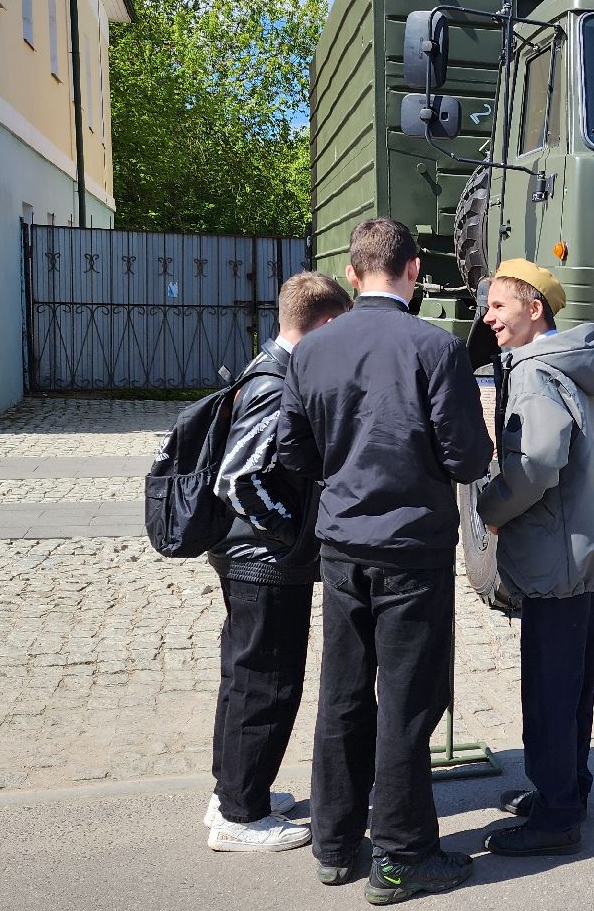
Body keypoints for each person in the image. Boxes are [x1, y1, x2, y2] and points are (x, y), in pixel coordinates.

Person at [277, 218, 493, 903]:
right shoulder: (435, 346)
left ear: (350, 270)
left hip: (342, 545)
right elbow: (467, 457)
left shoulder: (312, 350)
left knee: (343, 692)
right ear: (415, 270)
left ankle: (337, 845)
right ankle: (401, 857)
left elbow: (292, 451)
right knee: (406, 699)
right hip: (410, 548)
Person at [474, 260, 594, 857]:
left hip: (557, 556)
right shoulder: (582, 364)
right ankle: (569, 788)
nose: (488, 318)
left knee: (549, 690)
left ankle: (555, 815)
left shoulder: (536, 373)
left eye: (498, 306)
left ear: (534, 308)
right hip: (590, 554)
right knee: (574, 684)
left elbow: (536, 463)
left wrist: (491, 507)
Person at [204, 271, 354, 853]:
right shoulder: (275, 382)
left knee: (246, 677)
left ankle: (237, 792)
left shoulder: (266, 367)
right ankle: (241, 815)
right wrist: (292, 532)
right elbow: (238, 479)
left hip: (254, 556)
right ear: (325, 324)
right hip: (262, 560)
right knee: (266, 681)